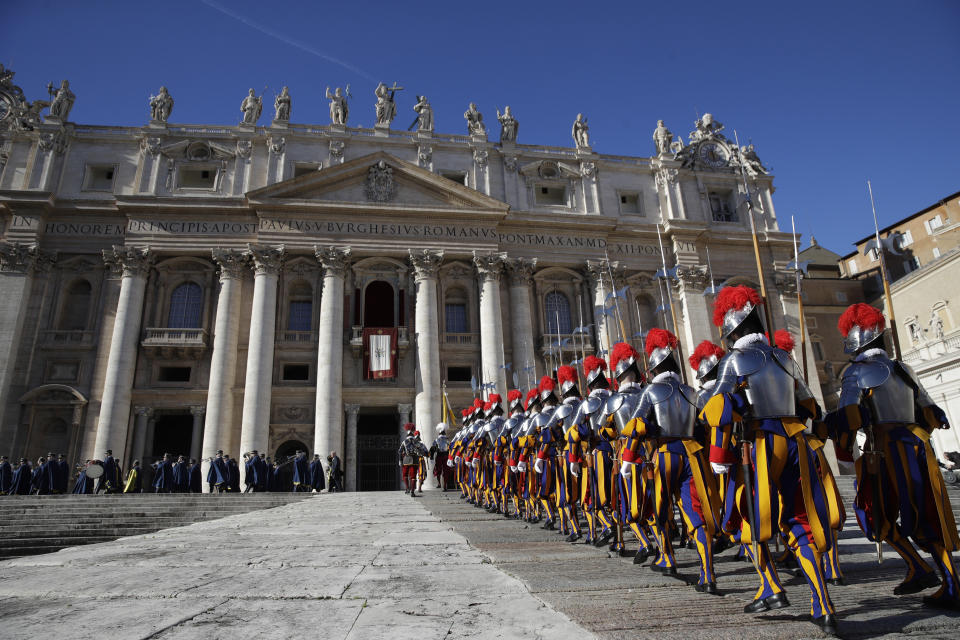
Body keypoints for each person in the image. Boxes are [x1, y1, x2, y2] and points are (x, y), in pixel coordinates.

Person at [702, 285, 837, 634]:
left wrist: (718, 453)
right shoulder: (785, 358)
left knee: (749, 516)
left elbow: (720, 409)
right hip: (797, 442)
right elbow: (811, 407)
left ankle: (772, 586)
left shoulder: (734, 360)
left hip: (759, 442)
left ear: (733, 332)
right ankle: (821, 602)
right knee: (799, 520)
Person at [826, 303, 959, 610]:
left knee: (873, 514)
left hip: (883, 452)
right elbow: (930, 410)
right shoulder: (903, 369)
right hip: (918, 449)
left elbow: (849, 415)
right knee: (929, 516)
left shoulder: (856, 372)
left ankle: (919, 565)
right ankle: (945, 580)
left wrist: (833, 431)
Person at [622, 329, 722, 594]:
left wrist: (629, 457)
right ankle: (708, 574)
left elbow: (637, 426)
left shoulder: (650, 391)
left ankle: (667, 557)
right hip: (691, 454)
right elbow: (701, 428)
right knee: (695, 514)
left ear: (653, 368)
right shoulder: (692, 391)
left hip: (664, 454)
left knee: (661, 509)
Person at [398, 424, 422, 496]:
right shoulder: (417, 441)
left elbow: (400, 451)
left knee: (405, 474)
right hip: (414, 460)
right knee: (413, 476)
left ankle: (407, 488)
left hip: (406, 460)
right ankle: (412, 491)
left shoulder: (404, 441)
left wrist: (400, 460)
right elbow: (420, 450)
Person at [430, 423, 452, 490]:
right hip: (445, 456)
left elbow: (432, 449)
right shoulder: (448, 440)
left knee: (438, 470)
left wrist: (431, 457)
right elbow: (451, 448)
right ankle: (444, 484)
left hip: (439, 456)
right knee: (445, 471)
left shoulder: (436, 440)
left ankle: (440, 483)